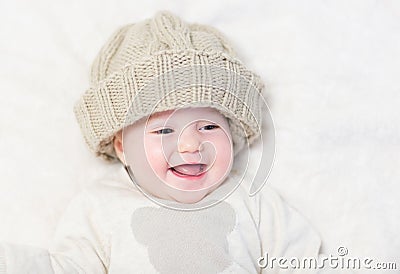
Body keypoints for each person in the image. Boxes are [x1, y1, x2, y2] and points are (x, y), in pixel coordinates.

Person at [0, 11, 321, 273]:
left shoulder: (254, 201)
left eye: (208, 126)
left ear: (234, 135)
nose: (191, 145)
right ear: (122, 146)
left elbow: (300, 259)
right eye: (164, 131)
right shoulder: (99, 206)